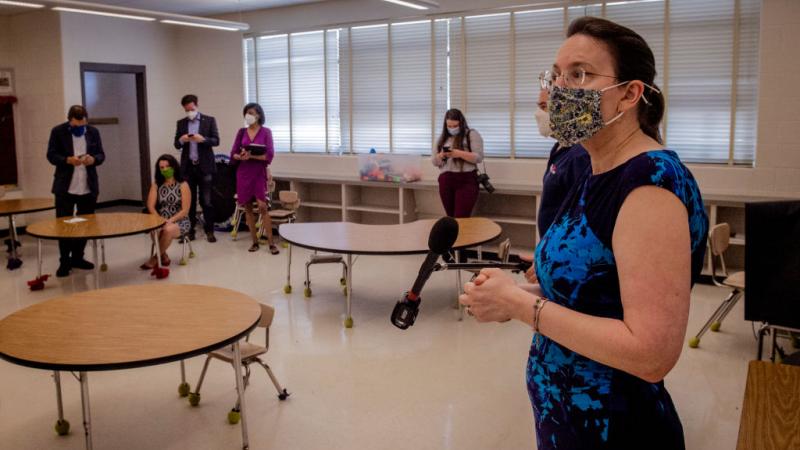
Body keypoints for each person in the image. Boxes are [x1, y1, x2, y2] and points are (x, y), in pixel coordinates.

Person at [459, 17, 708, 450]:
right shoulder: (593, 168)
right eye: (557, 75)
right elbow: (594, 296)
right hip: (569, 421)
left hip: (616, 429)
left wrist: (520, 306)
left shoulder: (650, 183)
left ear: (629, 94)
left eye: (580, 74)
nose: (559, 88)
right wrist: (512, 294)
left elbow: (651, 354)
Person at [522, 76, 593, 284]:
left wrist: (555, 258)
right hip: (552, 251)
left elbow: (579, 220)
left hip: (567, 260)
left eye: (545, 107)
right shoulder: (560, 147)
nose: (538, 114)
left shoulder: (580, 155)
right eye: (538, 106)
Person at [46, 105, 106, 278]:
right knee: (64, 225)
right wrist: (67, 160)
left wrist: (93, 159)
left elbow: (101, 155)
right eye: (77, 125)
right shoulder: (58, 131)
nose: (81, 128)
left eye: (83, 125)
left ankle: (78, 257)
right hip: (66, 187)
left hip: (88, 186)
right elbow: (51, 155)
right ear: (69, 120)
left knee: (85, 223)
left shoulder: (93, 132)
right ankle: (64, 261)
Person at [230, 103, 278, 254]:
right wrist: (241, 156)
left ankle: (271, 243)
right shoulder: (241, 132)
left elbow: (269, 155)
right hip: (243, 172)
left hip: (258, 172)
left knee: (263, 207)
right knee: (248, 208)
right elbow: (233, 153)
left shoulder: (266, 132)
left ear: (258, 115)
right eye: (245, 113)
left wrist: (253, 156)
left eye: (250, 112)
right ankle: (254, 242)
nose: (247, 116)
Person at [173, 94, 220, 242]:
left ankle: (209, 231)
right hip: (188, 168)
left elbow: (216, 140)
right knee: (189, 202)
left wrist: (203, 139)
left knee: (206, 201)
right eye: (187, 110)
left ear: (196, 105)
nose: (189, 112)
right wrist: (182, 139)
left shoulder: (209, 120)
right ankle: (189, 231)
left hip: (204, 166)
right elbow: (176, 144)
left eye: (191, 109)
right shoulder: (181, 123)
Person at [431, 109, 484, 218]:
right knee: (451, 219)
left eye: (455, 126)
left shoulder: (471, 134)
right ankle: (453, 236)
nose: (452, 129)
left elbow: (478, 157)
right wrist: (441, 155)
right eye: (449, 126)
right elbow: (434, 161)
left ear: (461, 123)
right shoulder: (442, 138)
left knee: (461, 219)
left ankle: (463, 236)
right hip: (446, 180)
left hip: (466, 180)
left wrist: (458, 153)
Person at [141, 154, 191, 269]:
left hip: (180, 220)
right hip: (161, 218)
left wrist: (170, 221)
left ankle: (154, 258)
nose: (165, 169)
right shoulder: (156, 185)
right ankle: (163, 255)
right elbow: (150, 205)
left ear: (174, 167)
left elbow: (185, 210)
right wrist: (160, 220)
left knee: (167, 229)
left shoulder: (183, 185)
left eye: (167, 166)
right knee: (155, 229)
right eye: (162, 167)